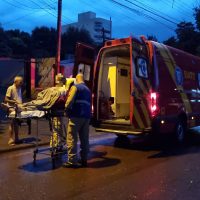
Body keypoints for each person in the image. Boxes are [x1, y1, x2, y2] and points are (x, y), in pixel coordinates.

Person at [63, 73, 91, 168]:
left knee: (71, 138)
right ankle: (84, 159)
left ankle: (72, 161)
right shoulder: (88, 90)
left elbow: (69, 101)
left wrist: (66, 110)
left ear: (76, 79)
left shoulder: (76, 87)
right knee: (84, 139)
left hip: (76, 116)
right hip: (86, 117)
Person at [5, 76, 23, 146]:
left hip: (18, 108)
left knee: (16, 124)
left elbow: (19, 98)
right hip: (11, 108)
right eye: (20, 82)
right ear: (15, 82)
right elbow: (6, 99)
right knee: (11, 124)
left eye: (22, 82)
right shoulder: (10, 88)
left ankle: (16, 138)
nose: (22, 83)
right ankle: (10, 139)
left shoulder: (20, 88)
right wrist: (13, 102)